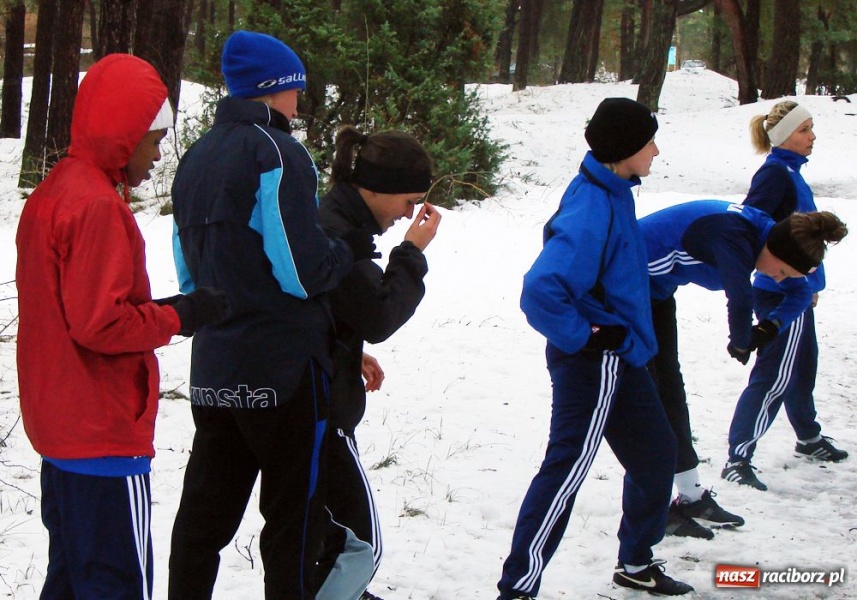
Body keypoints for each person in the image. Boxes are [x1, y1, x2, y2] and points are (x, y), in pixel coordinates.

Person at [15, 54, 228, 600]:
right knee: (116, 584)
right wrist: (181, 315)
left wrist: (165, 306)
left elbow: (76, 309)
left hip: (62, 426)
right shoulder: (97, 208)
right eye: (153, 141)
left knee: (71, 579)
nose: (158, 157)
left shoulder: (55, 192)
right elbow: (100, 324)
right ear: (122, 134)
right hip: (101, 432)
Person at [167, 31, 368, 600]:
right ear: (275, 89)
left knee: (203, 518)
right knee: (293, 519)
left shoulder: (195, 157)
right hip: (283, 367)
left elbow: (188, 275)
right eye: (296, 89)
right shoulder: (276, 151)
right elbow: (299, 271)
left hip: (216, 366)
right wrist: (345, 250)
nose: (299, 102)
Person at [496, 98, 693, 599]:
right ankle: (517, 588)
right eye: (648, 140)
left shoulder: (614, 189)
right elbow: (541, 288)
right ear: (625, 148)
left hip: (621, 356)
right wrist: (588, 336)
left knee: (656, 456)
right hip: (594, 360)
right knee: (566, 470)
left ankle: (635, 563)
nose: (655, 149)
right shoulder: (591, 205)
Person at [641, 200, 847, 537]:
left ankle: (690, 496)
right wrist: (741, 340)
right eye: (781, 272)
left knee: (670, 390)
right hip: (619, 284)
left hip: (656, 291)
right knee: (649, 399)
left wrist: (769, 328)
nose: (777, 278)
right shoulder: (734, 236)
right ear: (778, 254)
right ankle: (651, 510)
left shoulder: (772, 240)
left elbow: (799, 294)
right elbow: (739, 297)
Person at [314, 125, 441, 600]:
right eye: (408, 200)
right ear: (375, 189)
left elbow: (331, 306)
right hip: (319, 406)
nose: (409, 212)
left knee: (324, 531)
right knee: (360, 542)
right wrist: (410, 253)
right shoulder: (339, 233)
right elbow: (380, 314)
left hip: (320, 389)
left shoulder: (336, 220)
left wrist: (348, 344)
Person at [722, 101, 850, 491]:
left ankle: (808, 437)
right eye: (804, 130)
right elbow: (749, 225)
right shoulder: (775, 175)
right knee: (774, 377)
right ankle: (737, 458)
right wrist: (785, 280)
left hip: (795, 289)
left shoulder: (791, 172)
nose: (812, 136)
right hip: (779, 292)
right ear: (783, 137)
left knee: (803, 365)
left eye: (811, 128)